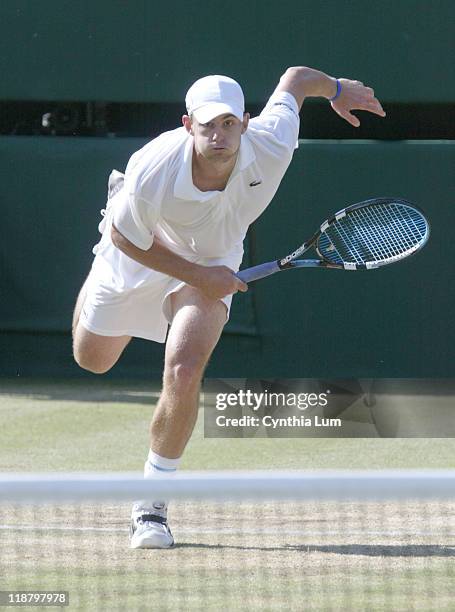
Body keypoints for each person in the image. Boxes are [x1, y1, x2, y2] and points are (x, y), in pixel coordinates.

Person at [72, 67, 385, 548]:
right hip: (139, 247)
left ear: (245, 121)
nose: (219, 135)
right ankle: (96, 286)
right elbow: (122, 236)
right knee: (93, 359)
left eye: (229, 123)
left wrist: (340, 91)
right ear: (187, 125)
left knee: (185, 366)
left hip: (215, 257)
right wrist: (198, 274)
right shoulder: (154, 169)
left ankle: (150, 507)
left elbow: (297, 81)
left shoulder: (272, 142)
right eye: (207, 126)